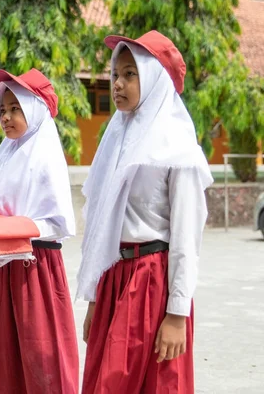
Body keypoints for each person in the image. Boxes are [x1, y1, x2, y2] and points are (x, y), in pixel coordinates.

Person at [78, 31, 214, 394]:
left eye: (130, 74)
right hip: (114, 279)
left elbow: (187, 235)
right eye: (115, 75)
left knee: (153, 385)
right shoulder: (116, 139)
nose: (118, 84)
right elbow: (101, 225)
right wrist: (94, 297)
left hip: (153, 282)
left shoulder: (176, 147)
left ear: (153, 77)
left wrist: (176, 314)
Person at [0, 68, 79, 394]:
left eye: (15, 109)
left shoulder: (45, 155)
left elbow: (59, 221)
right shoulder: (6, 155)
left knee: (43, 361)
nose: (6, 117)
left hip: (37, 269)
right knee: (3, 360)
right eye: (2, 110)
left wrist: (19, 227)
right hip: (4, 267)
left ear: (33, 109)